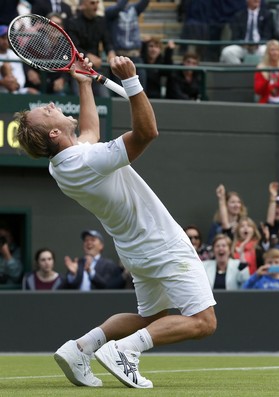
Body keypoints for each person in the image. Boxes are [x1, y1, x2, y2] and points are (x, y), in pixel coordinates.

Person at [14, 55, 217, 389]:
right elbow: (147, 132)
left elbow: (91, 130)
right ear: (53, 131)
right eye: (49, 110)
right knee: (203, 321)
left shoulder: (62, 164)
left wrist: (83, 84)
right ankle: (125, 350)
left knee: (151, 317)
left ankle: (82, 348)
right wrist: (132, 81)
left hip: (136, 251)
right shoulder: (87, 159)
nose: (51, 103)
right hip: (161, 244)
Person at [66, 0, 116, 97]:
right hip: (78, 67)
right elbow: (73, 46)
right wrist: (88, 55)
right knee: (80, 98)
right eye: (92, 3)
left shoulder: (101, 21)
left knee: (104, 97)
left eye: (97, 2)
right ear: (83, 6)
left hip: (96, 68)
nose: (96, 6)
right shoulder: (73, 22)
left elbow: (107, 42)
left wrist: (111, 52)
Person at [105, 0, 150, 89]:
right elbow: (119, 7)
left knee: (141, 89)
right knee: (121, 91)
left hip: (136, 56)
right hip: (120, 57)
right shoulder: (110, 10)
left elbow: (145, 2)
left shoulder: (134, 8)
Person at [23, 13, 71, 95]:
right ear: (45, 26)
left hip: (55, 90)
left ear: (62, 28)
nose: (55, 27)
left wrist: (63, 79)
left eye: (58, 24)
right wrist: (29, 71)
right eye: (52, 24)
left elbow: (69, 67)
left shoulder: (66, 46)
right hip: (35, 87)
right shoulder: (34, 42)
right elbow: (23, 58)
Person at [64, 229, 128, 290]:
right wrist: (72, 275)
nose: (89, 242)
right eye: (86, 240)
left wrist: (91, 272)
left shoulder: (108, 265)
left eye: (92, 240)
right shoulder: (77, 263)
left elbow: (107, 286)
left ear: (101, 246)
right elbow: (67, 288)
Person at [220, 0, 274, 64]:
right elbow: (235, 36)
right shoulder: (239, 15)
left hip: (260, 46)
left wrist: (258, 43)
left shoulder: (267, 15)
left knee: (267, 51)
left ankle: (259, 71)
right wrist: (243, 43)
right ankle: (241, 71)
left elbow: (267, 35)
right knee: (227, 52)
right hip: (243, 46)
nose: (256, 0)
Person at [0, 25, 27, 94]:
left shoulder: (14, 55)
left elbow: (20, 77)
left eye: (8, 38)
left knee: (33, 92)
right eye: (3, 38)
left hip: (15, 89)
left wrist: (16, 85)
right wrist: (2, 82)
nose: (6, 41)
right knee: (6, 66)